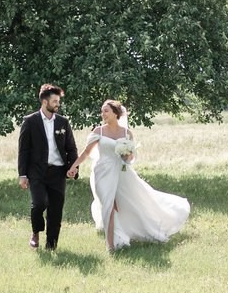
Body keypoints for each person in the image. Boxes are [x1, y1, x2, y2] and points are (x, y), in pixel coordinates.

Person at [67, 99, 190, 253]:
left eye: (106, 111)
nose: (102, 114)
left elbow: (130, 158)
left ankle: (133, 230)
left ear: (116, 113)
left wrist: (126, 156)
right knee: (108, 205)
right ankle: (110, 245)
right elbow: (86, 152)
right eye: (102, 111)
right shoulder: (98, 131)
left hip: (121, 172)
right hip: (102, 172)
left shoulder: (127, 133)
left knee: (130, 202)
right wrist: (74, 166)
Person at [18, 84, 79, 251]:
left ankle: (51, 245)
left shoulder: (63, 122)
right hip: (37, 172)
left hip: (58, 172)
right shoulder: (30, 121)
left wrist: (74, 167)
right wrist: (22, 174)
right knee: (39, 203)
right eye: (55, 101)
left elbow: (71, 148)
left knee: (55, 211)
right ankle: (36, 231)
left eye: (58, 101)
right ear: (45, 102)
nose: (58, 104)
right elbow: (23, 150)